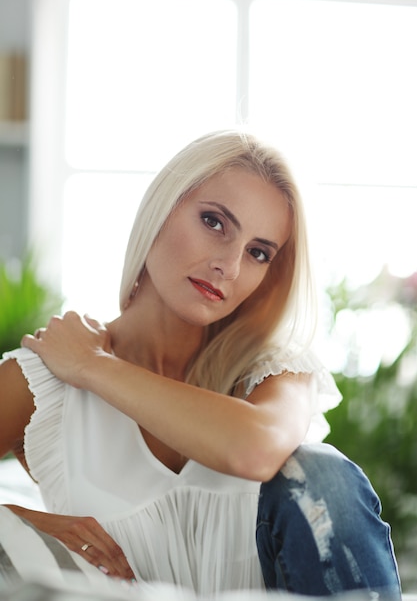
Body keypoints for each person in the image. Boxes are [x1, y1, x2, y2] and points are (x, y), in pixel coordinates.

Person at [0, 130, 401, 598]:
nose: (229, 266)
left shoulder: (275, 373)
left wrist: (94, 365)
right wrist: (16, 519)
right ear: (162, 207)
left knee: (321, 469)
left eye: (258, 252)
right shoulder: (43, 382)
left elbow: (254, 448)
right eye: (214, 222)